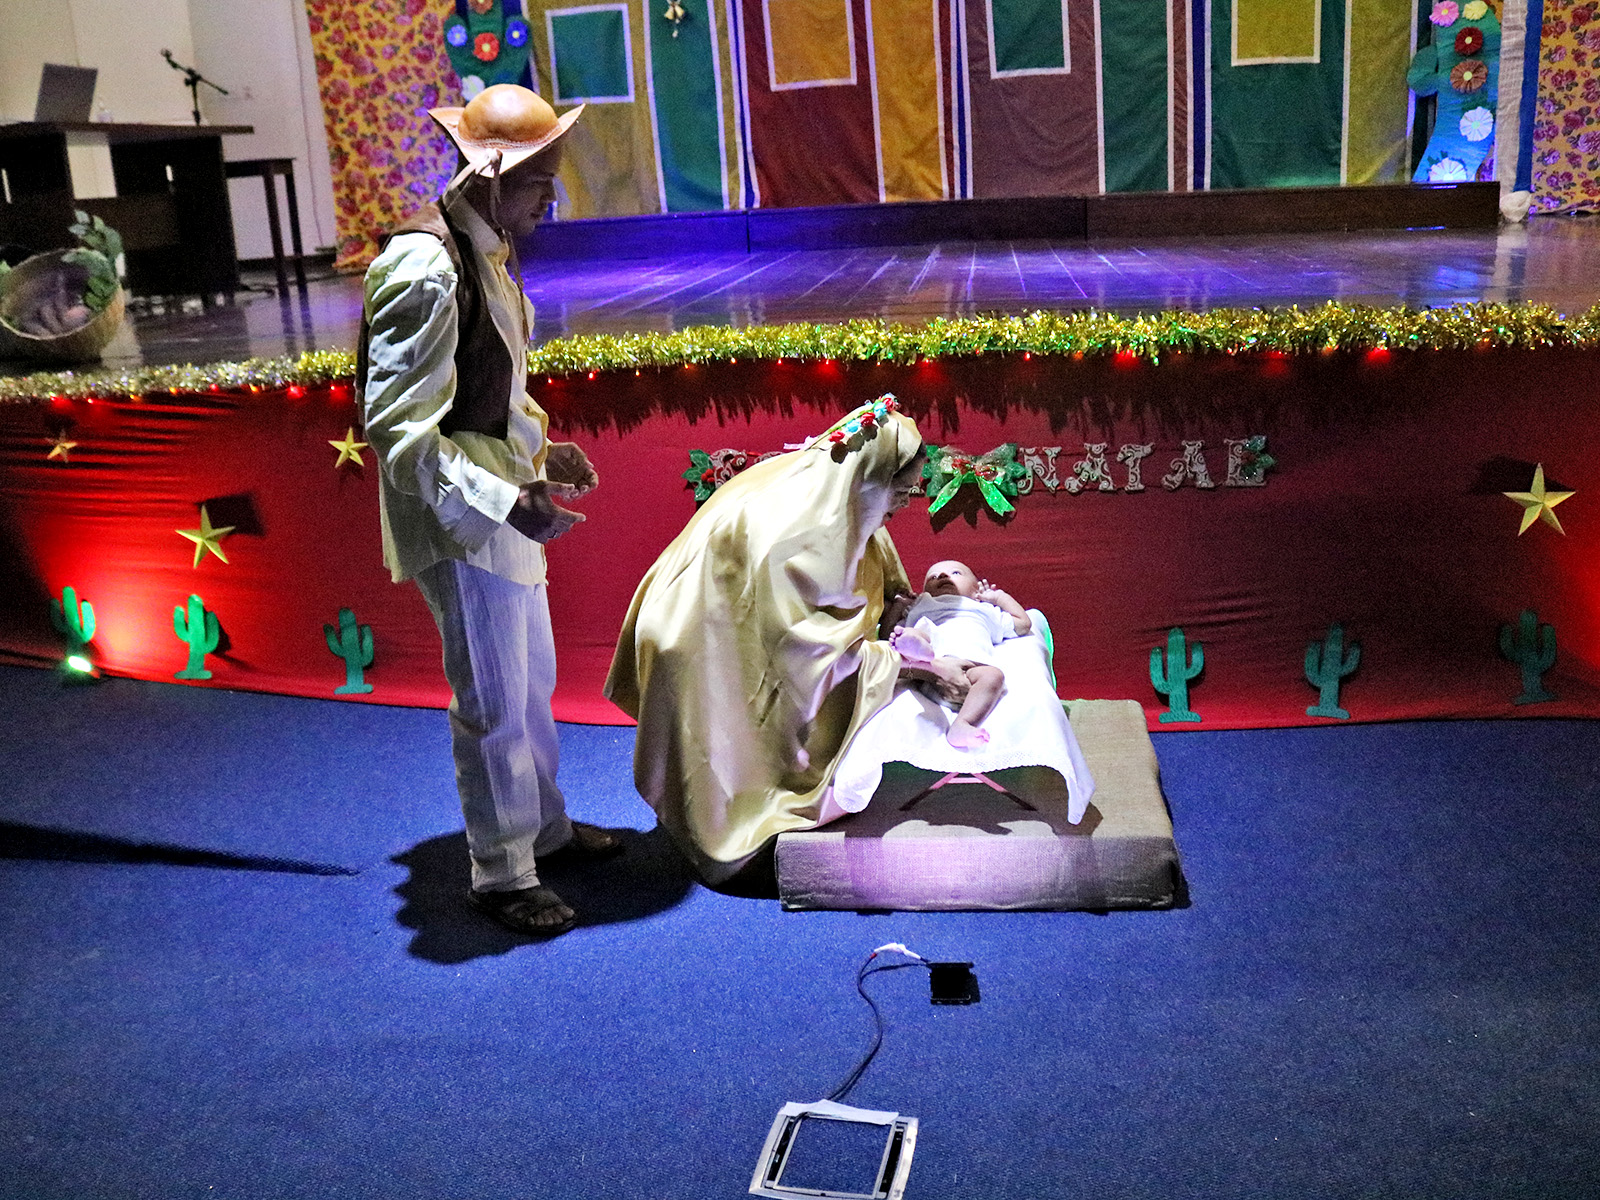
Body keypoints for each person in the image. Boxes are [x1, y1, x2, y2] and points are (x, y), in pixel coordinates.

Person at [360, 84, 618, 938]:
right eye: (541, 179)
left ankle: (542, 829)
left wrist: (543, 452)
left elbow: (487, 392)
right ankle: (503, 873)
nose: (553, 197)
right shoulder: (427, 267)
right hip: (462, 518)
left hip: (499, 499)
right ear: (493, 177)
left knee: (530, 683)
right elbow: (401, 434)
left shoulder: (485, 252)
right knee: (494, 700)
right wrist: (505, 500)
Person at [604, 396, 971, 883]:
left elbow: (871, 576)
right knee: (751, 778)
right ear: (871, 479)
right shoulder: (805, 532)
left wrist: (899, 605)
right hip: (698, 644)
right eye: (900, 491)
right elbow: (812, 659)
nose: (906, 503)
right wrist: (922, 667)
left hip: (705, 620)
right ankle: (738, 831)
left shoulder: (834, 484)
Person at [886, 560, 1032, 748]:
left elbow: (1023, 624)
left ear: (976, 590)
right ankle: (916, 649)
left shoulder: (984, 609)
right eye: (933, 577)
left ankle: (962, 724)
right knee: (917, 632)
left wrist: (999, 597)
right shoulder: (922, 604)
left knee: (993, 675)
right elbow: (888, 634)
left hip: (970, 668)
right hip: (928, 667)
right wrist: (899, 606)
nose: (942, 576)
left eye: (956, 573)